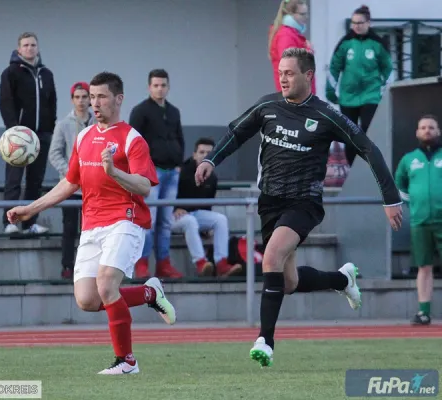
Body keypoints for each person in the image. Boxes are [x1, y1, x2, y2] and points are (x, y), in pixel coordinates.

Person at [195, 48, 403, 367]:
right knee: (287, 282)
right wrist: (211, 159)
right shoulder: (268, 105)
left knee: (273, 255)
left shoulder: (326, 114)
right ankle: (342, 280)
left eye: (289, 73)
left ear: (309, 76)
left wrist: (390, 198)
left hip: (303, 203)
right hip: (270, 202)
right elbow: (236, 134)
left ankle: (265, 340)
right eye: (280, 73)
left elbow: (368, 148)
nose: (283, 78)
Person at [6, 72, 176, 375]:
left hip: (125, 220)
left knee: (107, 284)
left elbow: (144, 186)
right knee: (87, 300)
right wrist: (31, 209)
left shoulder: (131, 138)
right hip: (92, 224)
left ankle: (127, 362)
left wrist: (113, 172)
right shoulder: (84, 137)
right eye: (92, 97)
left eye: (101, 97)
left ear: (118, 99)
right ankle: (149, 294)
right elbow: (70, 183)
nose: (95, 103)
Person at [0, 32, 57, 235]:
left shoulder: (46, 74)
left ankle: (30, 222)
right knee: (14, 181)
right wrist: (15, 129)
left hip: (41, 136)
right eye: (26, 45)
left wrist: (49, 129)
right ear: (19, 48)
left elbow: (52, 103)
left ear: (38, 48)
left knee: (36, 181)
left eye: (33, 45)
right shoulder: (11, 73)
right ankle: (10, 222)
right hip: (20, 138)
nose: (30, 48)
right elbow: (6, 103)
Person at [129, 69, 184, 279]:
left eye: (163, 85)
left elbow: (180, 137)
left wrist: (179, 164)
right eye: (156, 85)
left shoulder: (174, 111)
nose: (160, 89)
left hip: (172, 174)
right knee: (148, 221)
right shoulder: (140, 111)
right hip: (151, 175)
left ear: (168, 87)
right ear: (149, 87)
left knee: (166, 222)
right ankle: (141, 264)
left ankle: (164, 264)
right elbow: (133, 142)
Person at [326, 5, 393, 167]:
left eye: (360, 23)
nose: (356, 26)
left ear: (368, 23)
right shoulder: (345, 43)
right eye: (354, 23)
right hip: (348, 97)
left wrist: (384, 88)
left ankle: (370, 166)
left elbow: (388, 68)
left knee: (368, 130)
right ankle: (352, 168)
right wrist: (330, 89)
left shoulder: (377, 43)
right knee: (349, 135)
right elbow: (334, 67)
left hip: (371, 95)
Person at [172, 137, 243, 277]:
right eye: (201, 152)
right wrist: (175, 207)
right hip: (172, 216)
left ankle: (222, 264)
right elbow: (167, 194)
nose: (205, 156)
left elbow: (207, 207)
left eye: (208, 153)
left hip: (194, 215)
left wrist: (205, 229)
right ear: (194, 154)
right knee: (189, 221)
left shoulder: (212, 177)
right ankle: (201, 264)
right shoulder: (181, 171)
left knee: (220, 219)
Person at [394, 114, 441, 326]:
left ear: (438, 131)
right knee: (424, 267)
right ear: (417, 132)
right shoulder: (409, 159)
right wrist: (413, 206)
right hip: (419, 221)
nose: (427, 131)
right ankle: (423, 313)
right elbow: (400, 184)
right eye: (423, 127)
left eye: (431, 127)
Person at [48, 81, 96, 279]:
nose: (81, 101)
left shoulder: (98, 122)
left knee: (90, 230)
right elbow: (54, 153)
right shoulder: (64, 124)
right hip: (70, 188)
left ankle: (88, 268)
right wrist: (71, 172)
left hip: (94, 187)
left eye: (85, 97)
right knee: (69, 228)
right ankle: (68, 266)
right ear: (72, 100)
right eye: (77, 97)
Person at [268, 0, 315, 94]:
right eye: (302, 14)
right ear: (290, 15)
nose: (306, 17)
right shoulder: (286, 35)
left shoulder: (291, 34)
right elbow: (289, 65)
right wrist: (308, 52)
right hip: (295, 94)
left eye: (306, 14)